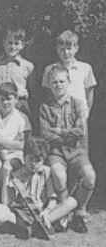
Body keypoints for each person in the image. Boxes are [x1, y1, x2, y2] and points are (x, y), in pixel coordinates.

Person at [40, 66, 96, 233]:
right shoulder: (45, 107)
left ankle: (78, 211)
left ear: (68, 82)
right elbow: (45, 134)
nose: (58, 85)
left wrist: (59, 131)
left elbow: (80, 132)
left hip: (76, 151)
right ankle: (65, 212)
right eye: (54, 82)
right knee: (58, 174)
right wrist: (67, 135)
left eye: (61, 81)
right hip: (56, 152)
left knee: (90, 176)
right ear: (49, 85)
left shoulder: (77, 103)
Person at [4, 136, 78, 239]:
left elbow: (53, 199)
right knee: (2, 212)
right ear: (24, 157)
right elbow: (9, 203)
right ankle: (37, 227)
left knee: (72, 202)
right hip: (24, 213)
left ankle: (36, 227)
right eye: (30, 159)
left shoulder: (46, 172)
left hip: (42, 212)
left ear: (43, 160)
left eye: (38, 160)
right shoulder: (17, 175)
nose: (34, 164)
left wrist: (46, 212)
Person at [41, 30, 97, 150]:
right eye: (62, 49)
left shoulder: (85, 68)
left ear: (76, 48)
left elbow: (89, 94)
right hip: (56, 118)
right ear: (57, 49)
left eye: (69, 48)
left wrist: (85, 113)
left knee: (80, 153)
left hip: (78, 118)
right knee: (58, 153)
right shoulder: (49, 69)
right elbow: (47, 94)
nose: (66, 52)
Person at [0, 82, 31, 204]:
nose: (5, 103)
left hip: (15, 155)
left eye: (9, 99)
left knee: (7, 168)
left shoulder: (22, 118)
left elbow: (22, 145)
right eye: (2, 99)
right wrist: (8, 146)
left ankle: (6, 204)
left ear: (16, 99)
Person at [0, 27, 34, 114]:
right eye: (10, 43)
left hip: (19, 105)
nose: (13, 47)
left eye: (16, 43)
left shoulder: (28, 66)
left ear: (22, 45)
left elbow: (32, 90)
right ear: (3, 43)